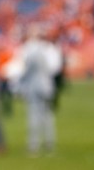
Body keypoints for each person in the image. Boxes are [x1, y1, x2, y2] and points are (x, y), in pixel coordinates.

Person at [18, 24, 62, 156]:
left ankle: (34, 145)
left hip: (34, 86)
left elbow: (24, 69)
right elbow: (55, 68)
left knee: (35, 115)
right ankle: (48, 143)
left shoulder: (30, 49)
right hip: (46, 85)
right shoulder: (49, 49)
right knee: (46, 115)